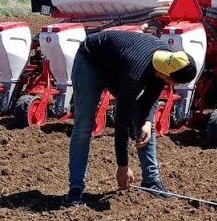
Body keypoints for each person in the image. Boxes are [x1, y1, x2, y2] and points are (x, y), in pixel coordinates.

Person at [65, 29, 199, 207]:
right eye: (176, 83)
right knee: (83, 126)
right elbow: (121, 121)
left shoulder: (166, 61)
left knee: (144, 125)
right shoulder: (136, 72)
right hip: (90, 61)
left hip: (117, 66)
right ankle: (75, 188)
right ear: (169, 77)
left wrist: (148, 121)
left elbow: (150, 98)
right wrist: (122, 167)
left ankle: (151, 181)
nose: (174, 85)